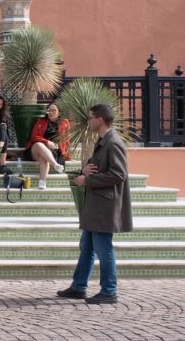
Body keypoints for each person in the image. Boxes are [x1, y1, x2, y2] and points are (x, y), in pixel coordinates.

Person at [57, 103, 132, 305]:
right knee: (87, 246)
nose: (88, 121)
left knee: (103, 248)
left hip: (104, 206)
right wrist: (86, 170)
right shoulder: (104, 141)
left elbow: (118, 174)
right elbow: (100, 168)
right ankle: (79, 286)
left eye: (90, 117)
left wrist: (87, 180)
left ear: (100, 119)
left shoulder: (113, 142)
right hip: (96, 205)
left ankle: (109, 290)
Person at [27, 102, 71, 189]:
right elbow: (34, 137)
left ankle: (42, 182)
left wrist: (66, 153)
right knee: (40, 145)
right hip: (36, 149)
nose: (50, 112)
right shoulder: (41, 121)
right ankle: (55, 165)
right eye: (49, 110)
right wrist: (47, 142)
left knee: (44, 156)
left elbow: (67, 140)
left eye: (53, 110)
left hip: (54, 151)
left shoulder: (65, 122)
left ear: (59, 112)